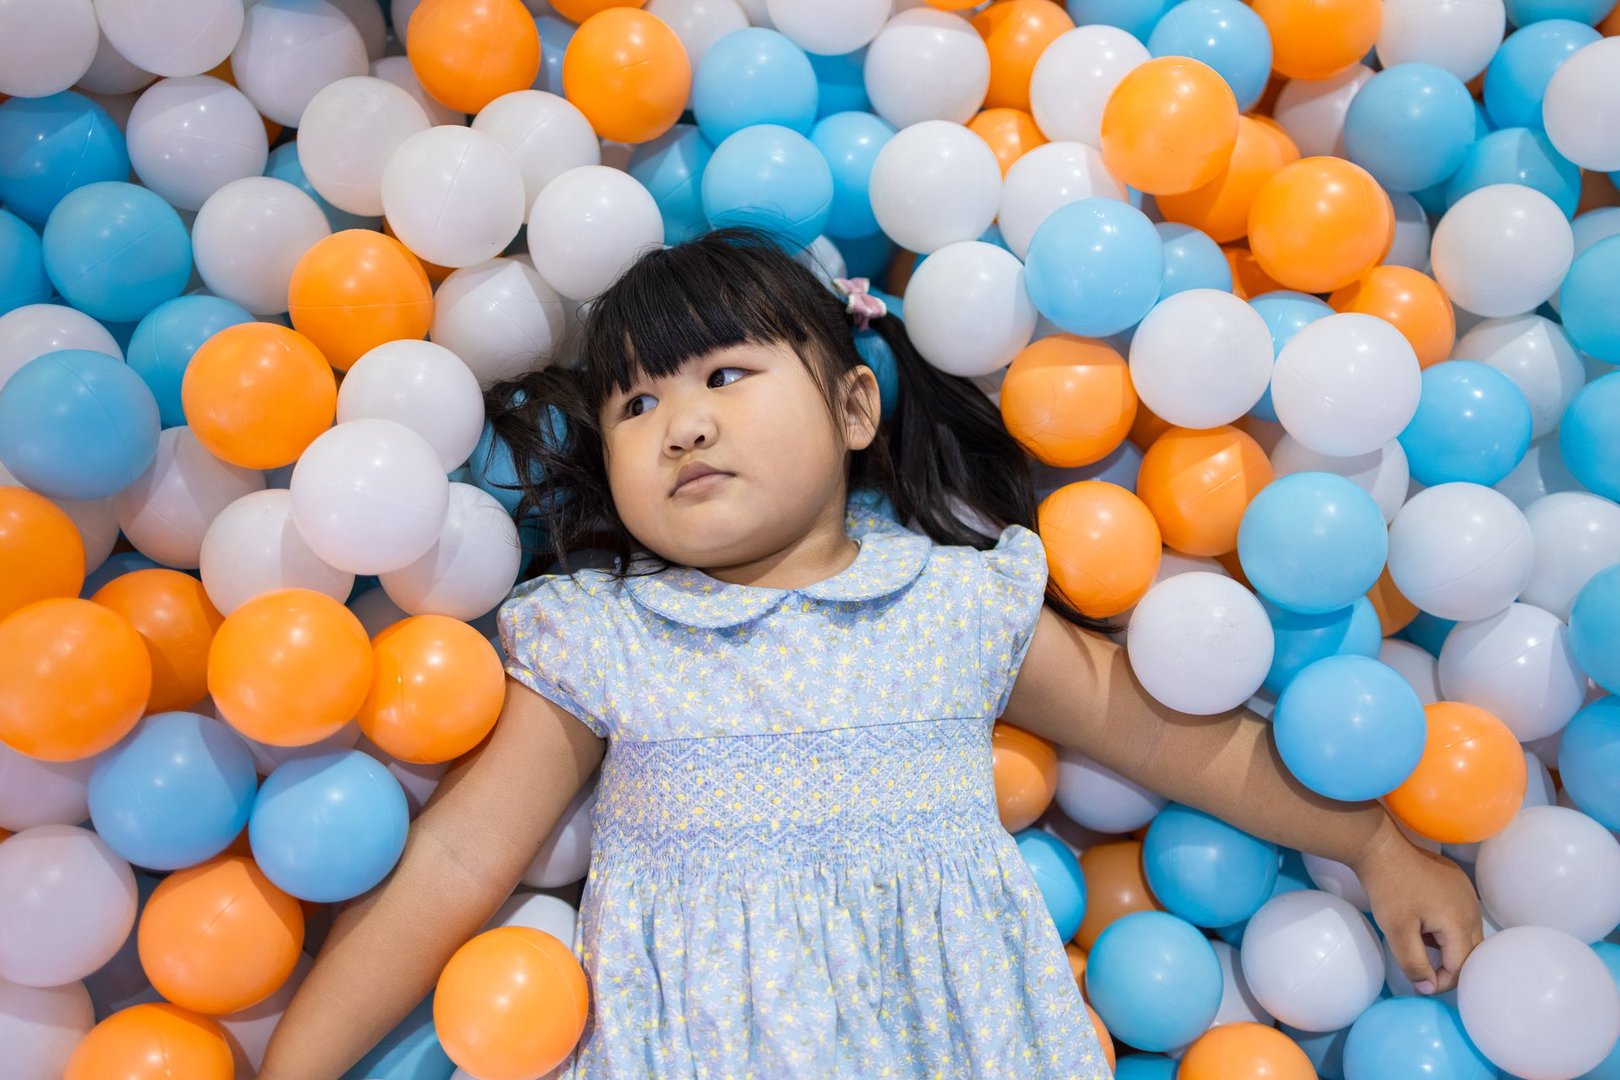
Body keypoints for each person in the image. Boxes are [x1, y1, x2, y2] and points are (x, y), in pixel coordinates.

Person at [258, 228, 1481, 1079]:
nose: (681, 422)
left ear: (853, 411)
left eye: (727, 376)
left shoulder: (956, 606)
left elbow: (1163, 739)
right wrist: (294, 1066)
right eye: (636, 406)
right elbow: (461, 857)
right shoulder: (605, 638)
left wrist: (1375, 845)